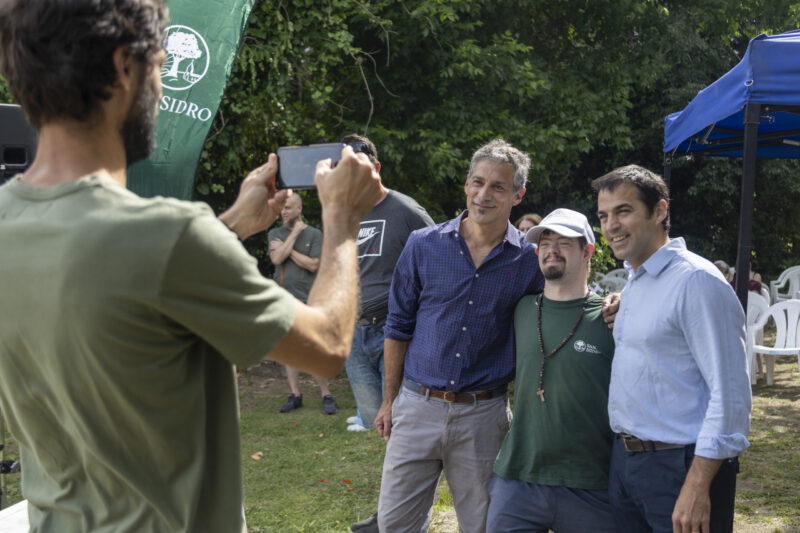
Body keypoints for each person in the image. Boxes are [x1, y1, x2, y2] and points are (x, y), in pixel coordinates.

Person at [0, 1, 382, 531]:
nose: (160, 90)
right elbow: (327, 347)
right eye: (159, 65)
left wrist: (229, 228)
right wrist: (341, 218)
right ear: (123, 67)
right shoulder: (168, 238)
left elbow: (131, 289)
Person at [375, 139, 546, 533]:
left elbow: (561, 300)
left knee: (484, 525)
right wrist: (389, 401)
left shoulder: (527, 260)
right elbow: (398, 325)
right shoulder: (423, 245)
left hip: (483, 417)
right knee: (394, 525)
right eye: (477, 182)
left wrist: (611, 302)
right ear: (467, 184)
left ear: (517, 195)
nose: (483, 194)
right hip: (417, 407)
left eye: (497, 187)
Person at [593, 165, 751, 533]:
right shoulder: (637, 278)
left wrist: (697, 484)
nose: (611, 226)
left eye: (624, 211)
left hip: (680, 467)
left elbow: (731, 396)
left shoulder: (696, 281)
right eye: (603, 216)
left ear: (660, 211)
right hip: (627, 463)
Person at [487, 208, 616, 532]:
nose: (551, 250)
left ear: (588, 251)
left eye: (563, 243)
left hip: (590, 484)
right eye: (544, 243)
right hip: (519, 478)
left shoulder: (611, 317)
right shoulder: (521, 309)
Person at [340, 133, 434, 436]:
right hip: (354, 333)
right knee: (373, 419)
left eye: (360, 164)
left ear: (376, 166)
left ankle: (409, 481)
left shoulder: (405, 211)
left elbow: (442, 261)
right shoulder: (343, 214)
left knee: (403, 422)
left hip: (393, 332)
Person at [268, 194, 338, 415]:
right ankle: (295, 394)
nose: (284, 212)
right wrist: (290, 242)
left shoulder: (314, 234)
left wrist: (290, 245)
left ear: (299, 208)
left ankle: (326, 394)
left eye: (288, 207)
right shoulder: (275, 233)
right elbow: (276, 259)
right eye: (282, 208)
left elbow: (313, 264)